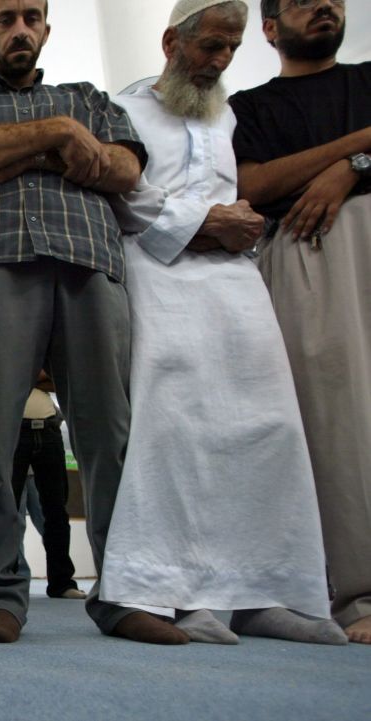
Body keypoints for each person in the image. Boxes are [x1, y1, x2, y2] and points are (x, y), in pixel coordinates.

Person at [0, 0, 185, 644]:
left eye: (30, 17)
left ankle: (124, 589)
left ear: (46, 28)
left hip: (89, 262)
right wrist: (59, 138)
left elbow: (124, 168)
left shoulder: (89, 99)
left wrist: (16, 158)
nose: (19, 30)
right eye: (5, 19)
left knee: (109, 430)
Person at [102, 0, 345, 646]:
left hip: (237, 279)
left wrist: (230, 225)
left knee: (269, 419)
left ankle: (269, 588)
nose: (219, 62)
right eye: (210, 47)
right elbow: (123, 194)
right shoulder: (124, 109)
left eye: (231, 50)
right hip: (163, 273)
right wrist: (205, 223)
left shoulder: (227, 115)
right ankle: (187, 591)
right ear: (170, 43)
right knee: (179, 420)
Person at [228, 0, 370, 645]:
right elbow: (253, 185)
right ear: (269, 27)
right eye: (302, 0)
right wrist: (359, 143)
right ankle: (357, 591)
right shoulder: (252, 107)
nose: (323, 6)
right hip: (312, 250)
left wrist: (350, 169)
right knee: (336, 422)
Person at [13, 380, 84, 600]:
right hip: (12, 428)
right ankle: (6, 580)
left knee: (56, 513)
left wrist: (29, 375)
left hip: (47, 427)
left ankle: (61, 582)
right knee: (8, 513)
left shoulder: (41, 349)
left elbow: (56, 378)